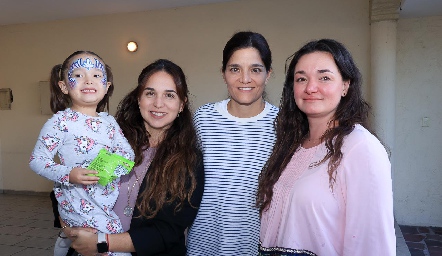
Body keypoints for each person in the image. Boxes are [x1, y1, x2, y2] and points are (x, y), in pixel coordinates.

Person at [257, 39, 395, 256]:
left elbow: (372, 244)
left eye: (324, 77)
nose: (311, 88)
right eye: (301, 78)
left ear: (345, 85)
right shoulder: (292, 145)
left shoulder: (360, 148)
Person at [64, 59, 204, 256]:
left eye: (169, 95)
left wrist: (102, 243)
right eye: (150, 93)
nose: (158, 103)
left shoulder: (189, 161)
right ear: (139, 99)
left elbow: (167, 231)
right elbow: (76, 192)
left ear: (182, 104)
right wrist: (72, 230)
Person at [29, 51, 135, 256]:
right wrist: (69, 174)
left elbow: (127, 154)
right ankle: (67, 242)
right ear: (63, 86)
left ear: (106, 86)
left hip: (105, 205)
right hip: (78, 205)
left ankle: (66, 244)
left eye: (97, 75)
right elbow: (37, 160)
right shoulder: (60, 123)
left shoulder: (110, 123)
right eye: (78, 75)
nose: (88, 80)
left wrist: (111, 165)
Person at [186, 31, 279, 256]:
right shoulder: (203, 119)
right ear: (223, 73)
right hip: (202, 247)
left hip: (257, 249)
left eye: (255, 70)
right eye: (235, 69)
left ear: (268, 74)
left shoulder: (284, 125)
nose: (244, 79)